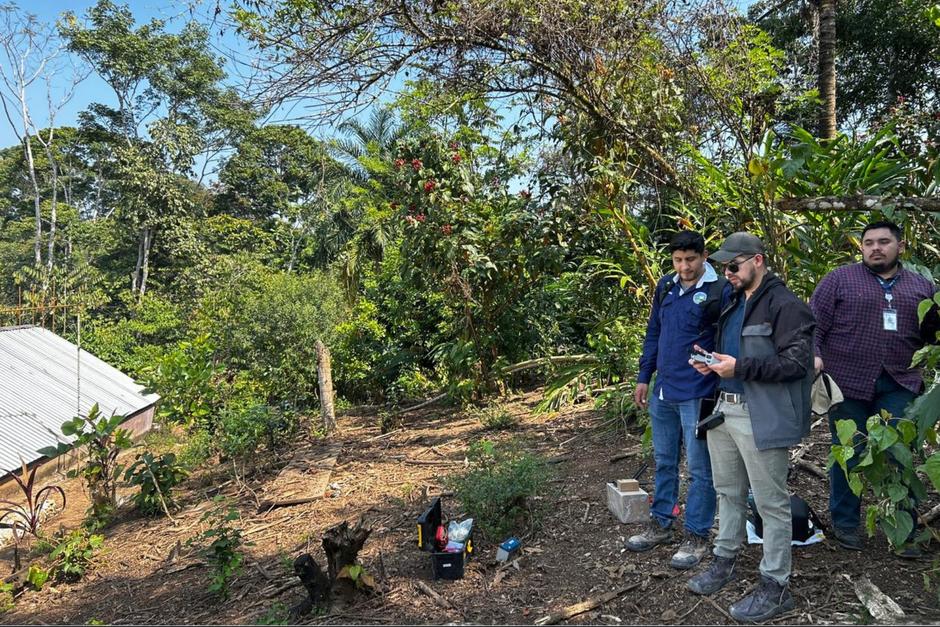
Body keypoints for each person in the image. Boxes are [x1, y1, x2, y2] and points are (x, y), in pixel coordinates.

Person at [686, 232, 815, 623]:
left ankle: (776, 586)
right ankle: (724, 559)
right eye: (724, 266)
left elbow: (796, 364)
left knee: (771, 503)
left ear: (757, 260)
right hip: (724, 408)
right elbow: (733, 356)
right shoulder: (733, 301)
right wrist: (712, 364)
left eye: (733, 265)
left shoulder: (786, 305)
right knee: (728, 492)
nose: (727, 273)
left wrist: (739, 368)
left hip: (761, 415)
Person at [810, 220, 940, 555]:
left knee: (899, 454)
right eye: (868, 243)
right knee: (848, 451)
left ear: (900, 246)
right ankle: (845, 525)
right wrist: (814, 355)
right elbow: (813, 325)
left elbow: (932, 334)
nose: (875, 248)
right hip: (847, 382)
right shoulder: (839, 280)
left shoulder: (922, 287)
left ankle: (902, 532)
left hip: (900, 382)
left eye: (883, 242)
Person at [628, 230, 730, 570]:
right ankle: (661, 523)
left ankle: (697, 534)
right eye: (677, 260)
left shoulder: (719, 290)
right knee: (664, 460)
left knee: (700, 468)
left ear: (704, 256)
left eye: (690, 259)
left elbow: (728, 338)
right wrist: (644, 375)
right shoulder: (666, 286)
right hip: (664, 390)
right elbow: (654, 332)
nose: (684, 267)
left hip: (699, 392)